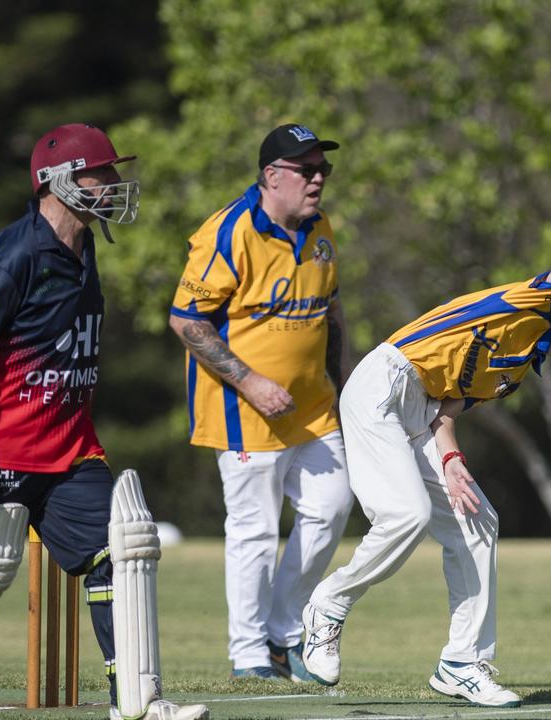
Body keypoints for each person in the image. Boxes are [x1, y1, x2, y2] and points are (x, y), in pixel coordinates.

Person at [299, 216, 551, 708]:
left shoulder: (512, 373)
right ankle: (329, 604)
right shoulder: (530, 305)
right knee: (408, 515)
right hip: (382, 384)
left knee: (478, 522)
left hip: (418, 410)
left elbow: (445, 414)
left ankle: (462, 663)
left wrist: (449, 457)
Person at [0, 123, 207, 720]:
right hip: (3, 454)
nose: (115, 184)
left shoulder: (85, 246)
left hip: (71, 453)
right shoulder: (17, 252)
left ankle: (138, 704)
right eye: (101, 173)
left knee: (124, 550)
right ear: (58, 182)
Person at [167, 123, 354, 681]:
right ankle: (250, 654)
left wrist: (345, 389)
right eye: (306, 169)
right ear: (272, 175)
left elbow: (332, 314)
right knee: (254, 530)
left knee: (332, 506)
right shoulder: (228, 231)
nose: (318, 178)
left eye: (323, 169)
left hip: (314, 407)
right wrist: (250, 382)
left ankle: (281, 631)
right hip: (242, 409)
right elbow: (186, 321)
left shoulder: (321, 228)